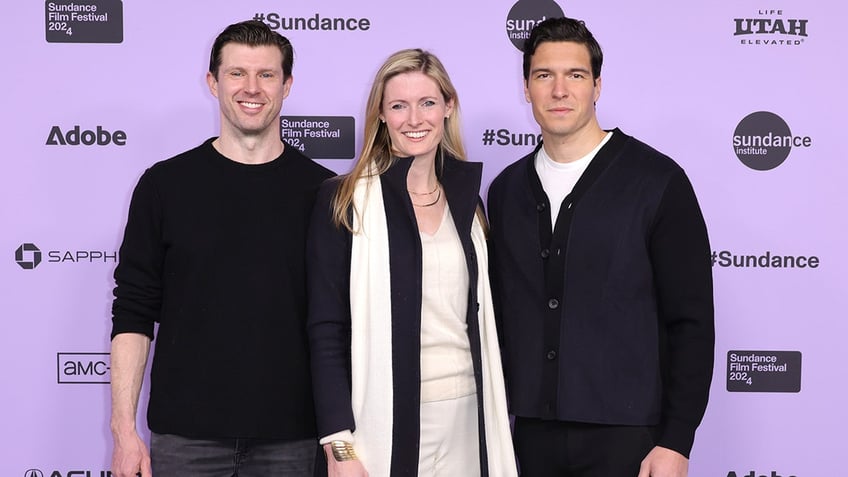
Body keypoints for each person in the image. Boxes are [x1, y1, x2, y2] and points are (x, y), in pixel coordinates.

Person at [487, 17, 715, 477]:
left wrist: (676, 441)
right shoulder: (506, 190)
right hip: (530, 437)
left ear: (597, 86)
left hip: (629, 440)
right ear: (525, 89)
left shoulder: (657, 182)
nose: (559, 90)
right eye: (543, 75)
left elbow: (691, 322)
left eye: (575, 75)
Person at [109, 20, 335, 477]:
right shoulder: (164, 186)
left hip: (293, 441)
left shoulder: (326, 191)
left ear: (287, 85)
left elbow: (340, 328)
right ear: (213, 82)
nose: (251, 88)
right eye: (236, 73)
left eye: (267, 75)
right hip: (184, 439)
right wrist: (124, 431)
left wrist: (340, 442)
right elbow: (133, 312)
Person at [306, 49, 517, 477]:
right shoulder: (344, 200)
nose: (414, 119)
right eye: (398, 105)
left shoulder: (469, 203)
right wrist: (338, 447)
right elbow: (326, 329)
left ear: (448, 107)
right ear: (381, 115)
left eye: (427, 103)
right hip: (383, 421)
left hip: (467, 415)